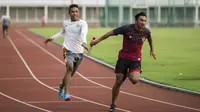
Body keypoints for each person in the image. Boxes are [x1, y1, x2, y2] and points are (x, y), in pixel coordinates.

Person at [90, 12, 156, 112]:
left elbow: (149, 38)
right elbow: (109, 33)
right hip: (123, 58)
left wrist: (152, 49)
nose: (143, 22)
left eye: (145, 20)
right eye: (141, 20)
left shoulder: (146, 31)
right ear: (136, 21)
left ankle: (129, 72)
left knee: (134, 80)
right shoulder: (126, 29)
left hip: (135, 60)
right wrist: (96, 41)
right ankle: (113, 104)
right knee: (119, 81)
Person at [44, 4, 89, 101]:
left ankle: (61, 85)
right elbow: (62, 32)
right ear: (69, 13)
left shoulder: (83, 23)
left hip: (79, 52)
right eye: (72, 11)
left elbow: (83, 33)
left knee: (70, 74)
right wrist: (52, 38)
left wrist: (84, 42)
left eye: (76, 11)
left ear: (79, 12)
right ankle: (66, 93)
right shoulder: (65, 23)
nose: (75, 13)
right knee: (69, 67)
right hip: (67, 49)